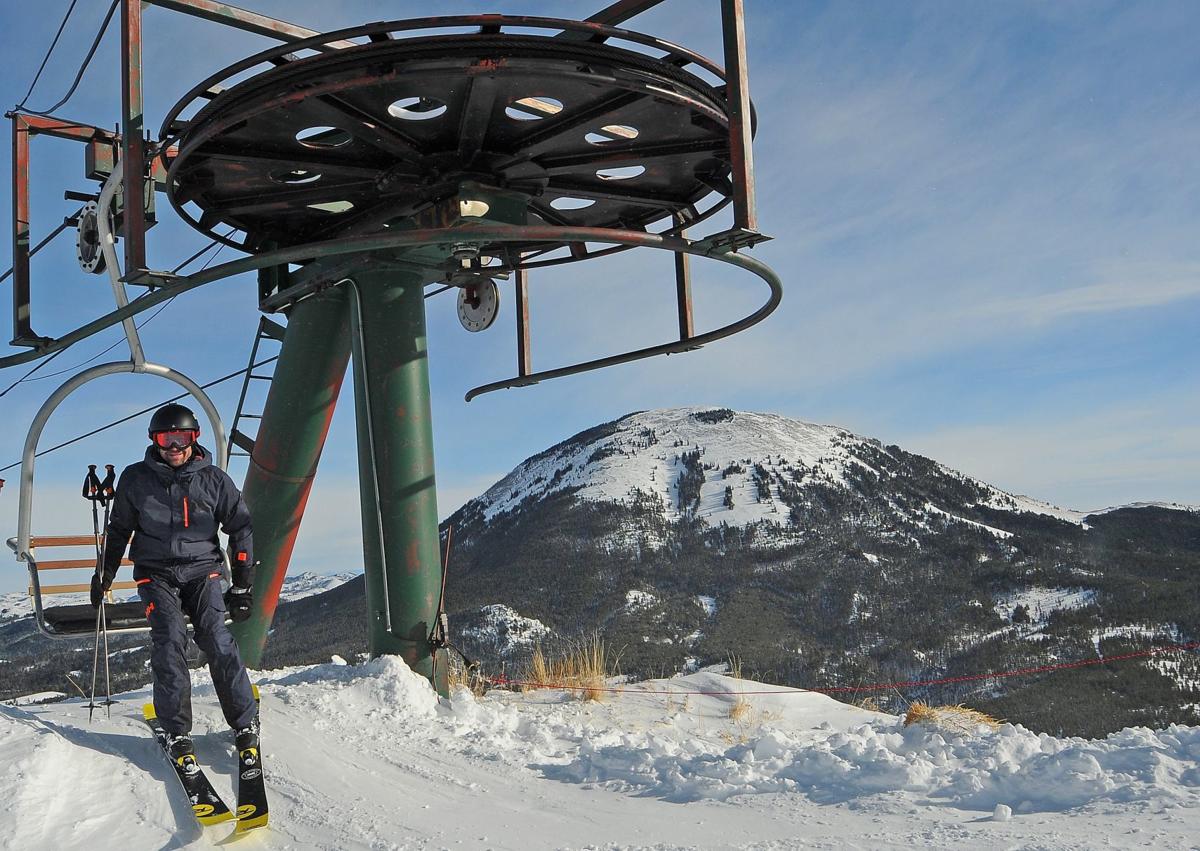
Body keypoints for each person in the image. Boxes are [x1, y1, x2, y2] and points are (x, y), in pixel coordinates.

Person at [92, 402, 258, 764]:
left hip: (202, 572)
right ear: (155, 440)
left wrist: (243, 585)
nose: (175, 447)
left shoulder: (214, 480)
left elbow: (240, 528)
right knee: (169, 640)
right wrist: (104, 573)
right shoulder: (136, 479)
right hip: (156, 573)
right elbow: (119, 528)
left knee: (217, 638)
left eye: (182, 438)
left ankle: (245, 722)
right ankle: (176, 730)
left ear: (194, 439)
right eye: (167, 439)